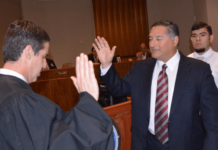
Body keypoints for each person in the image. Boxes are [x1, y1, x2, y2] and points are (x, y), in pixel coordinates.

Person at [93, 20, 218, 150]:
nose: (152, 44)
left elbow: (213, 121)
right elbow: (118, 89)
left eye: (158, 39)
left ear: (175, 41)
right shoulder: (140, 68)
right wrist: (107, 64)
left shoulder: (198, 70)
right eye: (150, 39)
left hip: (185, 144)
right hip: (147, 143)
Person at [0, 20, 113, 150]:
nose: (45, 65)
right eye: (43, 57)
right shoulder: (21, 101)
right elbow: (66, 144)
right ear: (29, 52)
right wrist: (89, 102)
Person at [188, 22, 218, 88]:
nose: (198, 39)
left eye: (202, 35)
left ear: (211, 38)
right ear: (191, 39)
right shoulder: (185, 61)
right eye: (194, 36)